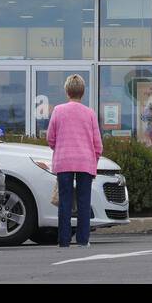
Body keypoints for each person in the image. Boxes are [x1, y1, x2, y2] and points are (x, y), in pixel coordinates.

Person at [46, 74, 103, 248]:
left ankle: (63, 240)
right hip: (85, 161)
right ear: (83, 92)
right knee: (84, 202)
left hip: (64, 161)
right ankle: (82, 239)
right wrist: (95, 160)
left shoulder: (58, 110)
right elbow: (97, 143)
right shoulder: (90, 113)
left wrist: (59, 147)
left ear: (67, 91)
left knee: (65, 202)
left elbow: (50, 138)